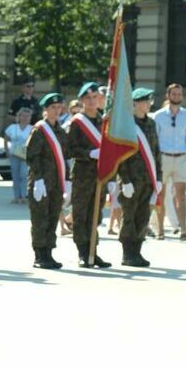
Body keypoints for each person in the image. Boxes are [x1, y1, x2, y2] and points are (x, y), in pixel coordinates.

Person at [65, 81, 111, 268]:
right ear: (82, 100)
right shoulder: (77, 123)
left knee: (96, 215)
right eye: (87, 98)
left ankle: (94, 251)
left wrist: (113, 178)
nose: (92, 101)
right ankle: (83, 252)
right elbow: (69, 149)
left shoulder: (104, 121)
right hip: (83, 175)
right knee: (81, 214)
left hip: (101, 175)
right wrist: (89, 153)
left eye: (94, 97)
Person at [118, 87, 163, 268]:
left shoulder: (151, 124)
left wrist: (158, 177)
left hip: (148, 179)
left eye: (149, 101)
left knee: (143, 216)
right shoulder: (127, 125)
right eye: (145, 101)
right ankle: (128, 253)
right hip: (131, 179)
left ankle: (137, 251)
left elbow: (156, 152)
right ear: (135, 103)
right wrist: (125, 180)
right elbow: (121, 156)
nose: (148, 104)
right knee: (129, 216)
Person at [25, 93, 69, 269]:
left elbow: (64, 157)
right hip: (41, 182)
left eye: (59, 108)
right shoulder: (39, 130)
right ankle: (39, 254)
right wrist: (38, 179)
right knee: (40, 219)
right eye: (53, 108)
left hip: (56, 183)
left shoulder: (60, 131)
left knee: (52, 218)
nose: (56, 111)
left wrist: (68, 181)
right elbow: (31, 156)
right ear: (45, 110)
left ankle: (49, 252)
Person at [151, 83, 186, 241]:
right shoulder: (158, 116)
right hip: (163, 157)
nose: (177, 97)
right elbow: (154, 141)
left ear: (182, 96)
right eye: (174, 94)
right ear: (168, 96)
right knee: (161, 196)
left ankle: (183, 230)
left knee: (181, 196)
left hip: (181, 159)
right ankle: (160, 231)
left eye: (179, 94)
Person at [4, 107, 32, 203]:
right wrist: (7, 150)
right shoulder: (12, 127)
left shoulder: (32, 129)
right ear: (19, 116)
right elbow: (6, 138)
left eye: (27, 116)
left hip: (25, 156)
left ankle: (23, 196)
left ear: (30, 118)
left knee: (24, 176)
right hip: (14, 154)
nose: (24, 118)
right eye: (23, 115)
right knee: (15, 176)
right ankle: (16, 197)